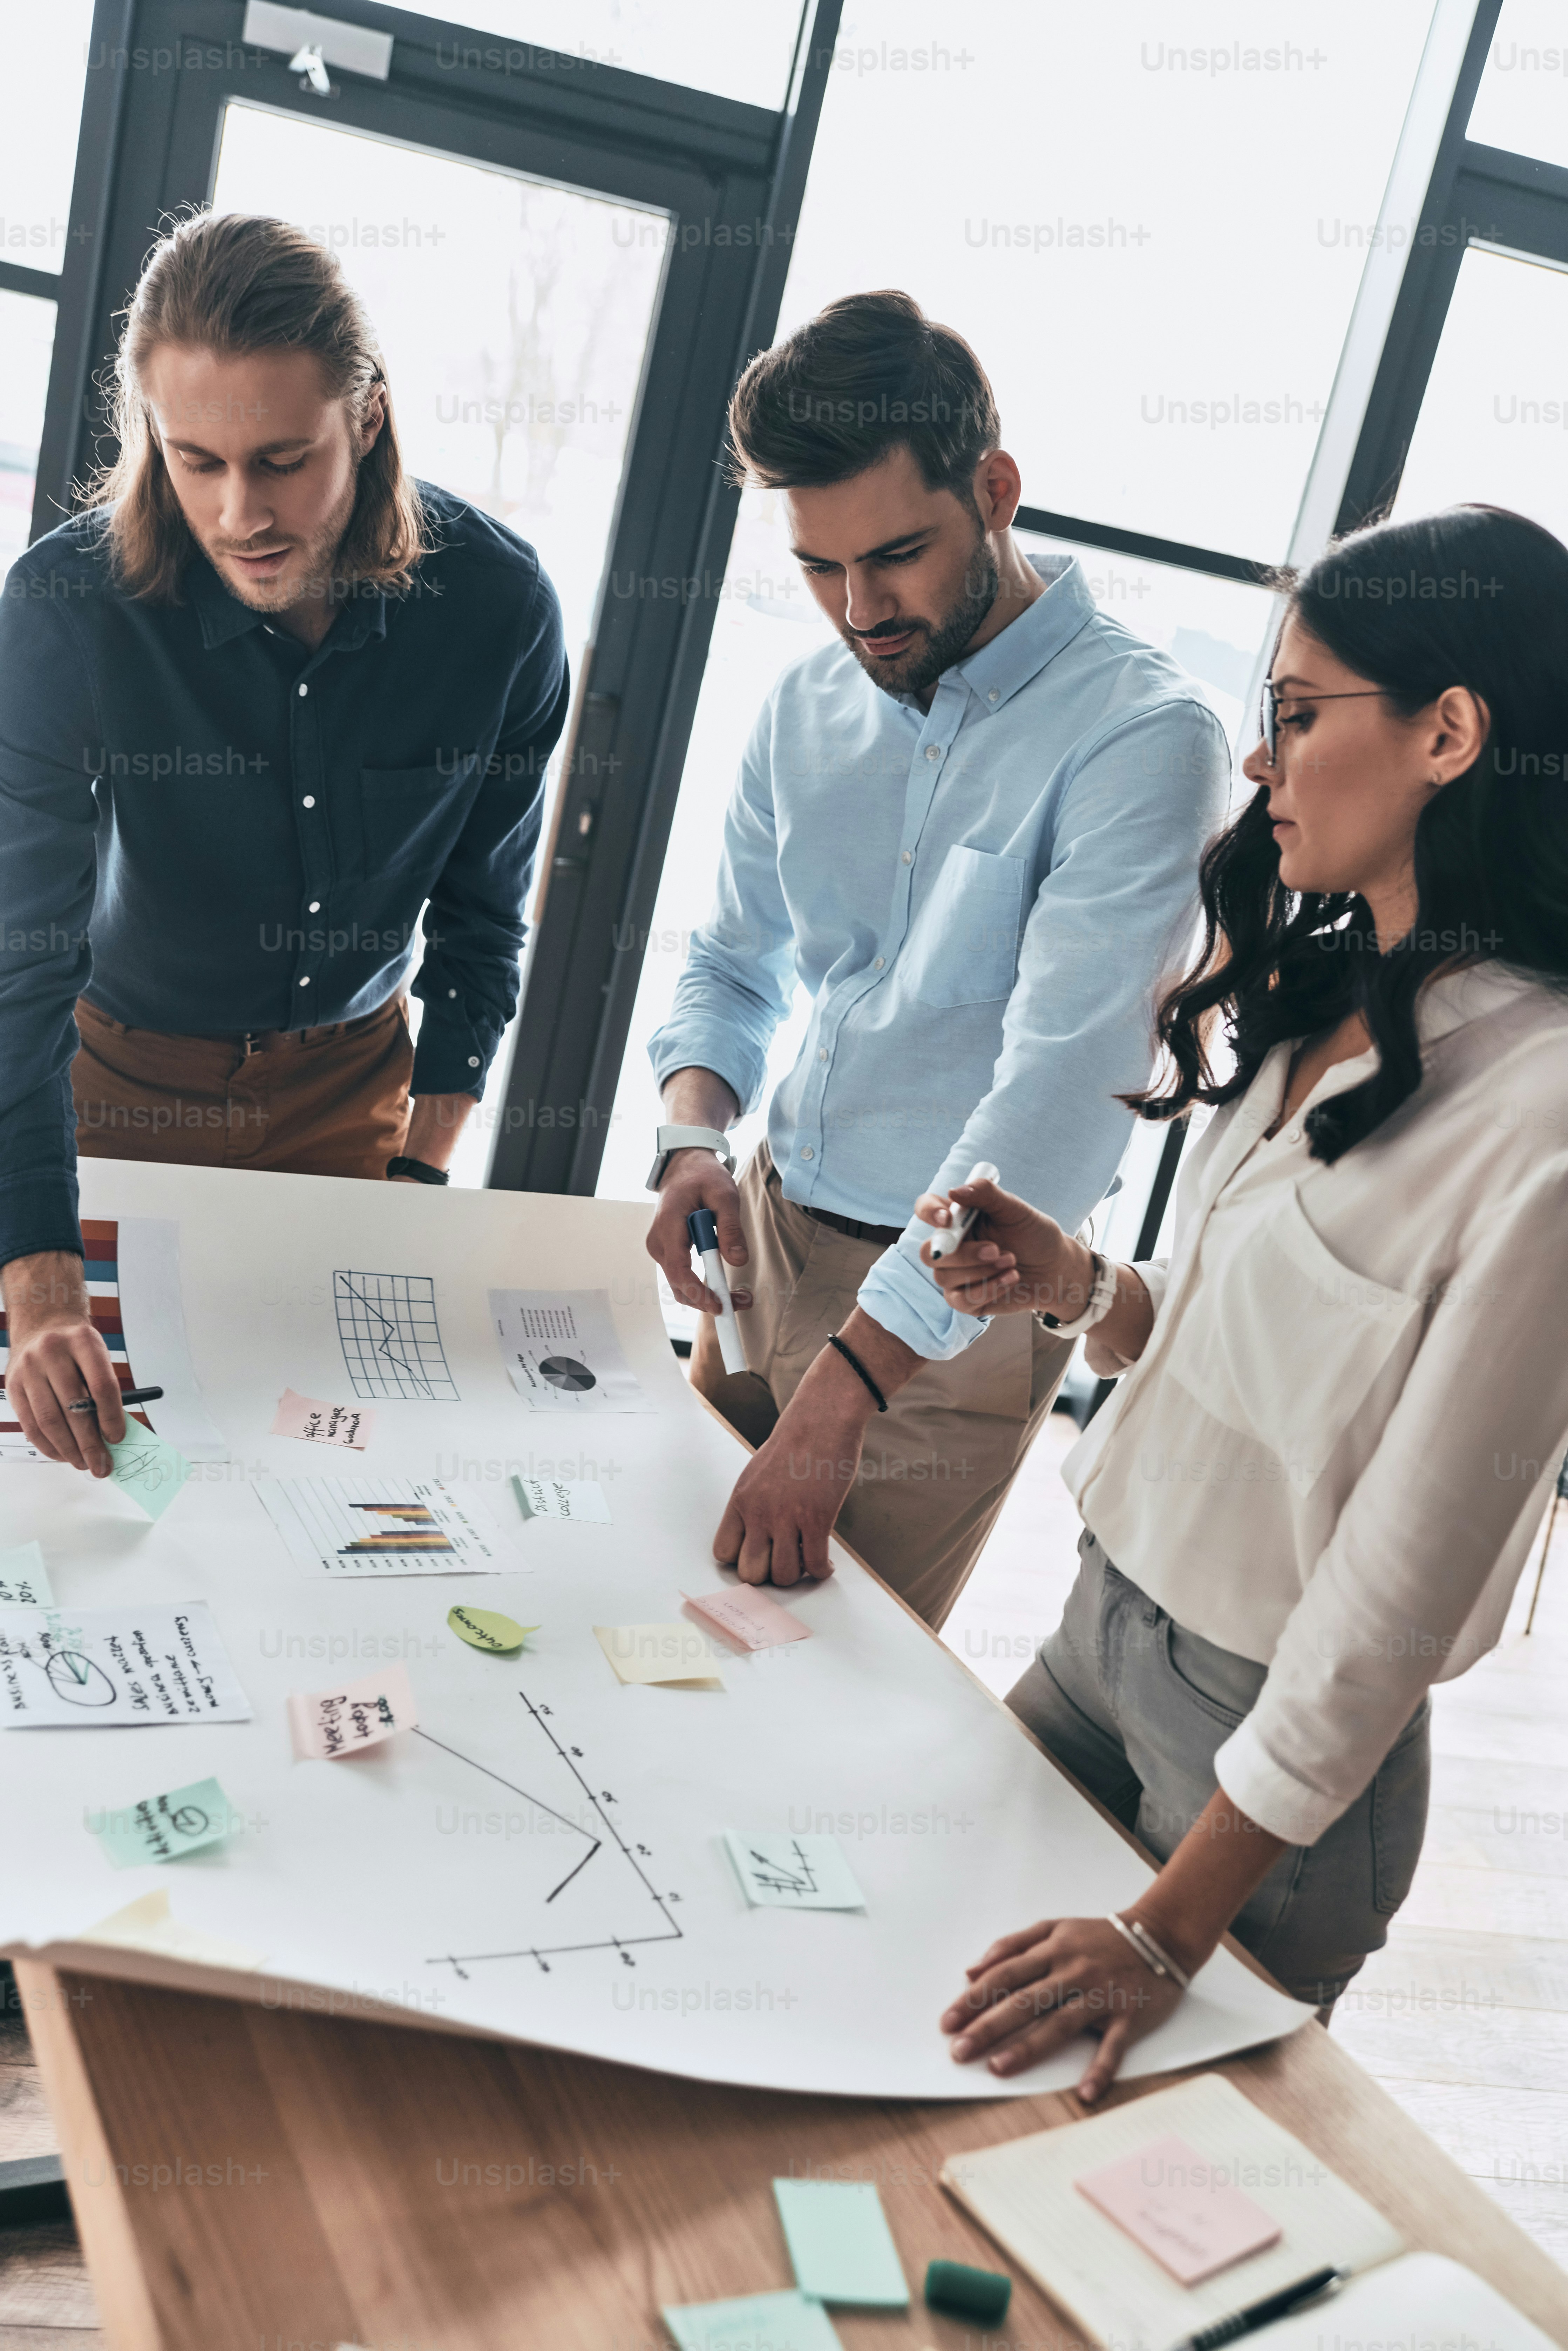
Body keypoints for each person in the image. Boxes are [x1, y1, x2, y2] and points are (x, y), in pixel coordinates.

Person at [916, 503, 1568, 2096]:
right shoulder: (1329, 996)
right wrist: (1079, 1284)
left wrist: (1165, 1933)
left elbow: (1399, 1585)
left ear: (1449, 734)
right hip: (1098, 1633)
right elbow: (1260, 1362)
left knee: (1120, 2172)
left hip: (1268, 1773)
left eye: (1298, 711)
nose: (1261, 761)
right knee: (927, 2023)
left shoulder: (1543, 1120)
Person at [645, 290, 1230, 1627]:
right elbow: (732, 965)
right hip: (767, 1240)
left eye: (897, 555)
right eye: (818, 569)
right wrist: (688, 1140)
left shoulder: (1144, 737)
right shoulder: (805, 704)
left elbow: (1057, 1101)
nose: (860, 611)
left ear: (995, 491)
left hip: (954, 1317)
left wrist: (848, 1384)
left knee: (816, 1677)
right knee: (663, 1625)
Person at [0, 211, 568, 1479]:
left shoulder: (497, 610)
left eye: (281, 459)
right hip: (108, 1085)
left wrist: (418, 1176)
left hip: (349, 1097)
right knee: (87, 1475)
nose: (237, 512)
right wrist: (35, 1283)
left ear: (367, 416)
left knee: (312, 1474)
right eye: (194, 460)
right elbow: (18, 966)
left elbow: (482, 924)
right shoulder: (62, 608)